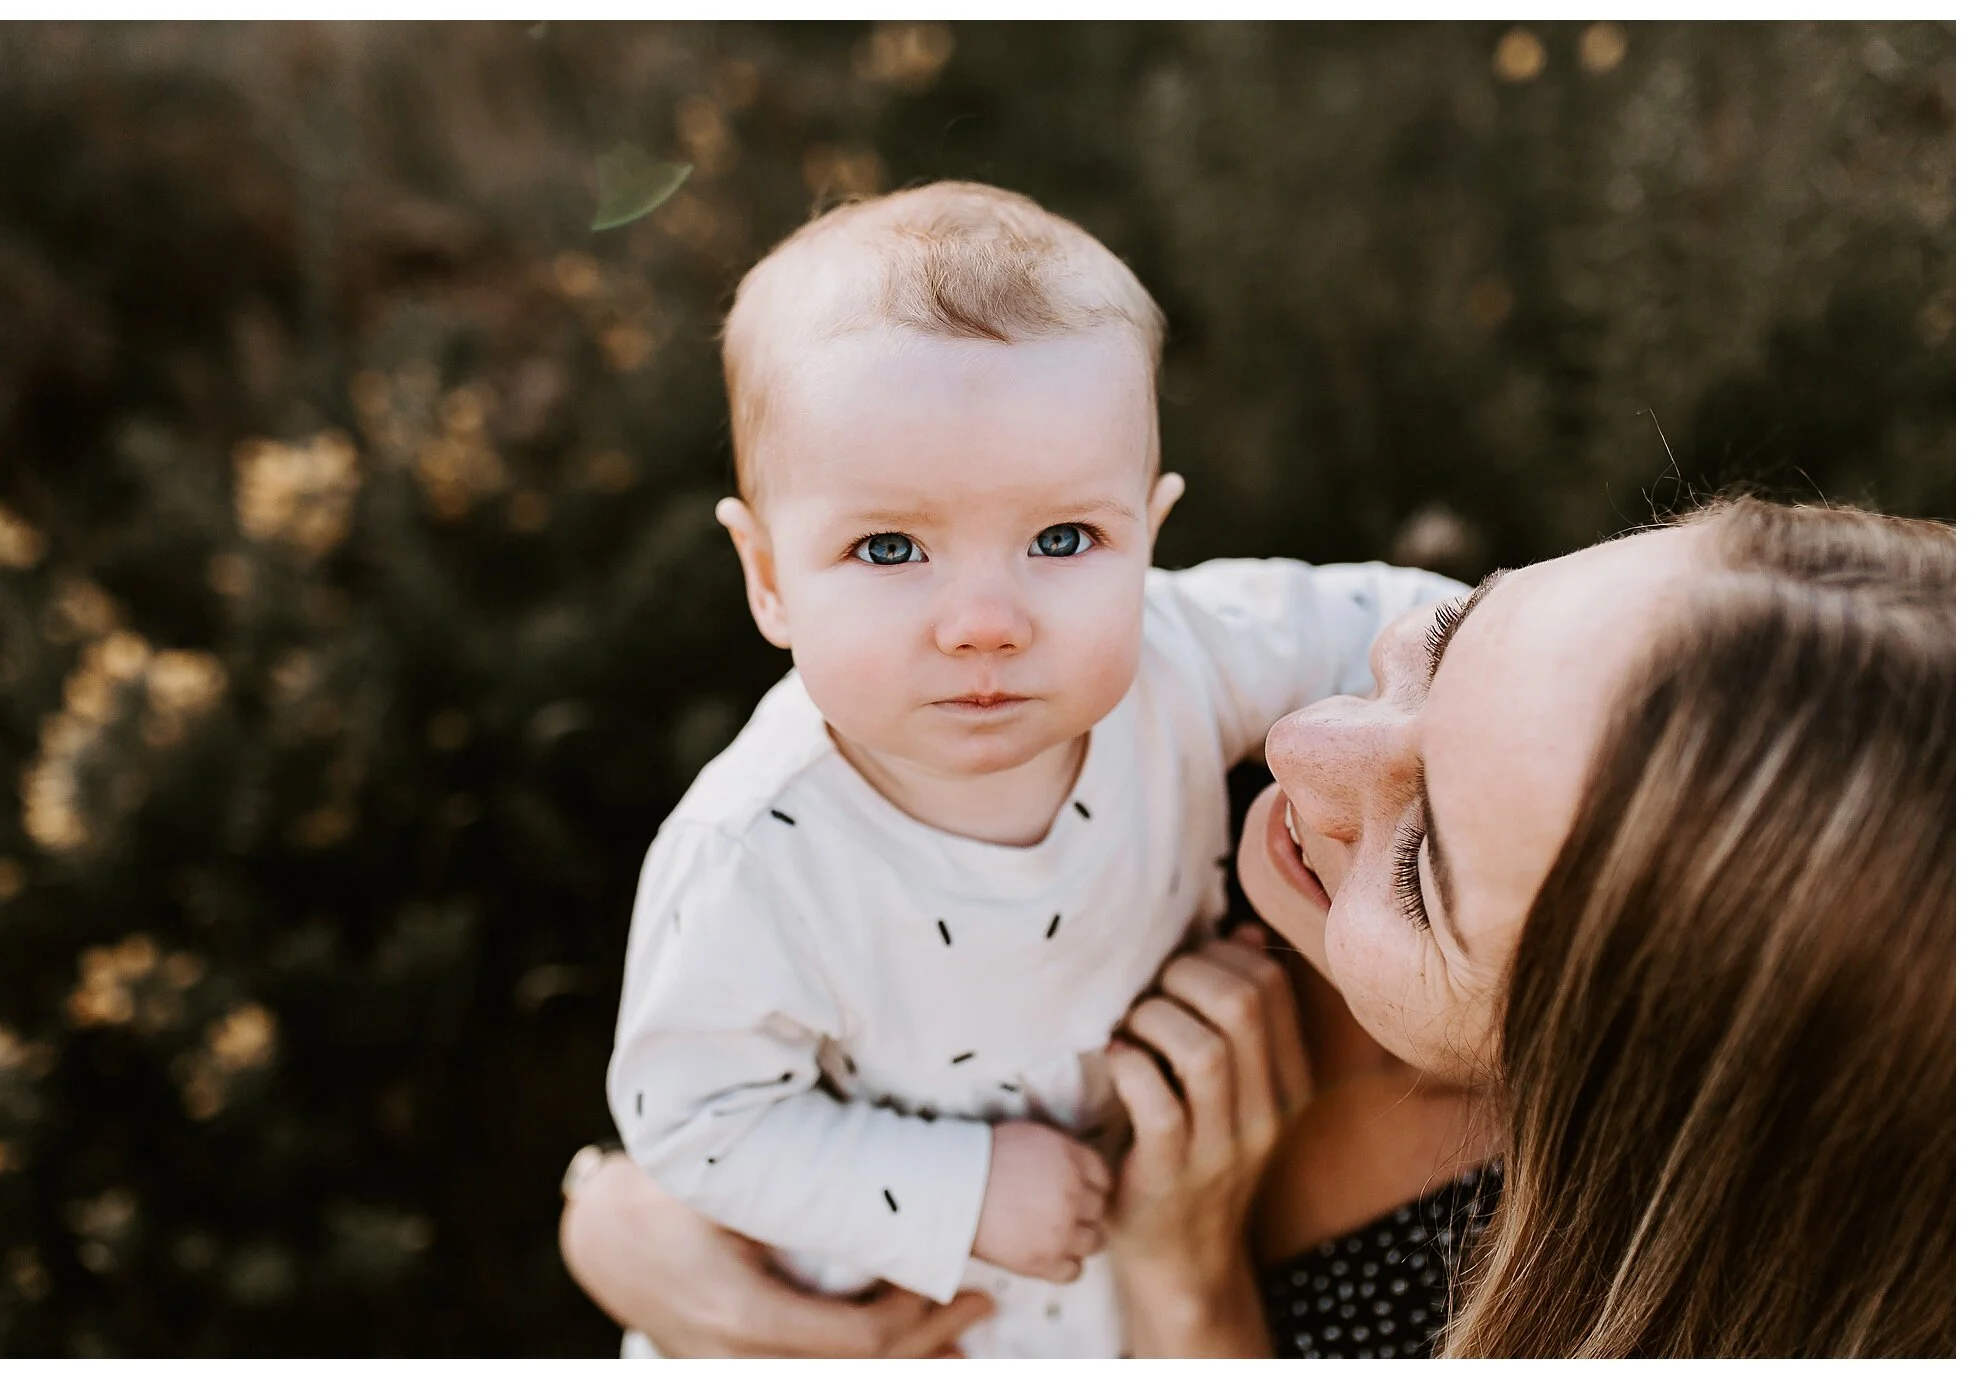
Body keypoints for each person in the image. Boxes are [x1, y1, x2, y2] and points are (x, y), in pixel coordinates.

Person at [564, 496, 1954, 1358]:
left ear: (1623, 1090)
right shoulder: (1188, 699)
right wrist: (636, 1223)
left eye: (1419, 869)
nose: (1299, 741)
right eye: (1447, 633)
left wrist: (1185, 1289)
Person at [604, 180, 1462, 1358]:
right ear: (765, 576)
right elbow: (689, 1116)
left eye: (1063, 539)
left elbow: (1415, 622)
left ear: (1148, 538)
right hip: (874, 1320)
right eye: (889, 546)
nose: (985, 620)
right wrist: (956, 1187)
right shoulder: (758, 846)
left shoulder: (1175, 653)